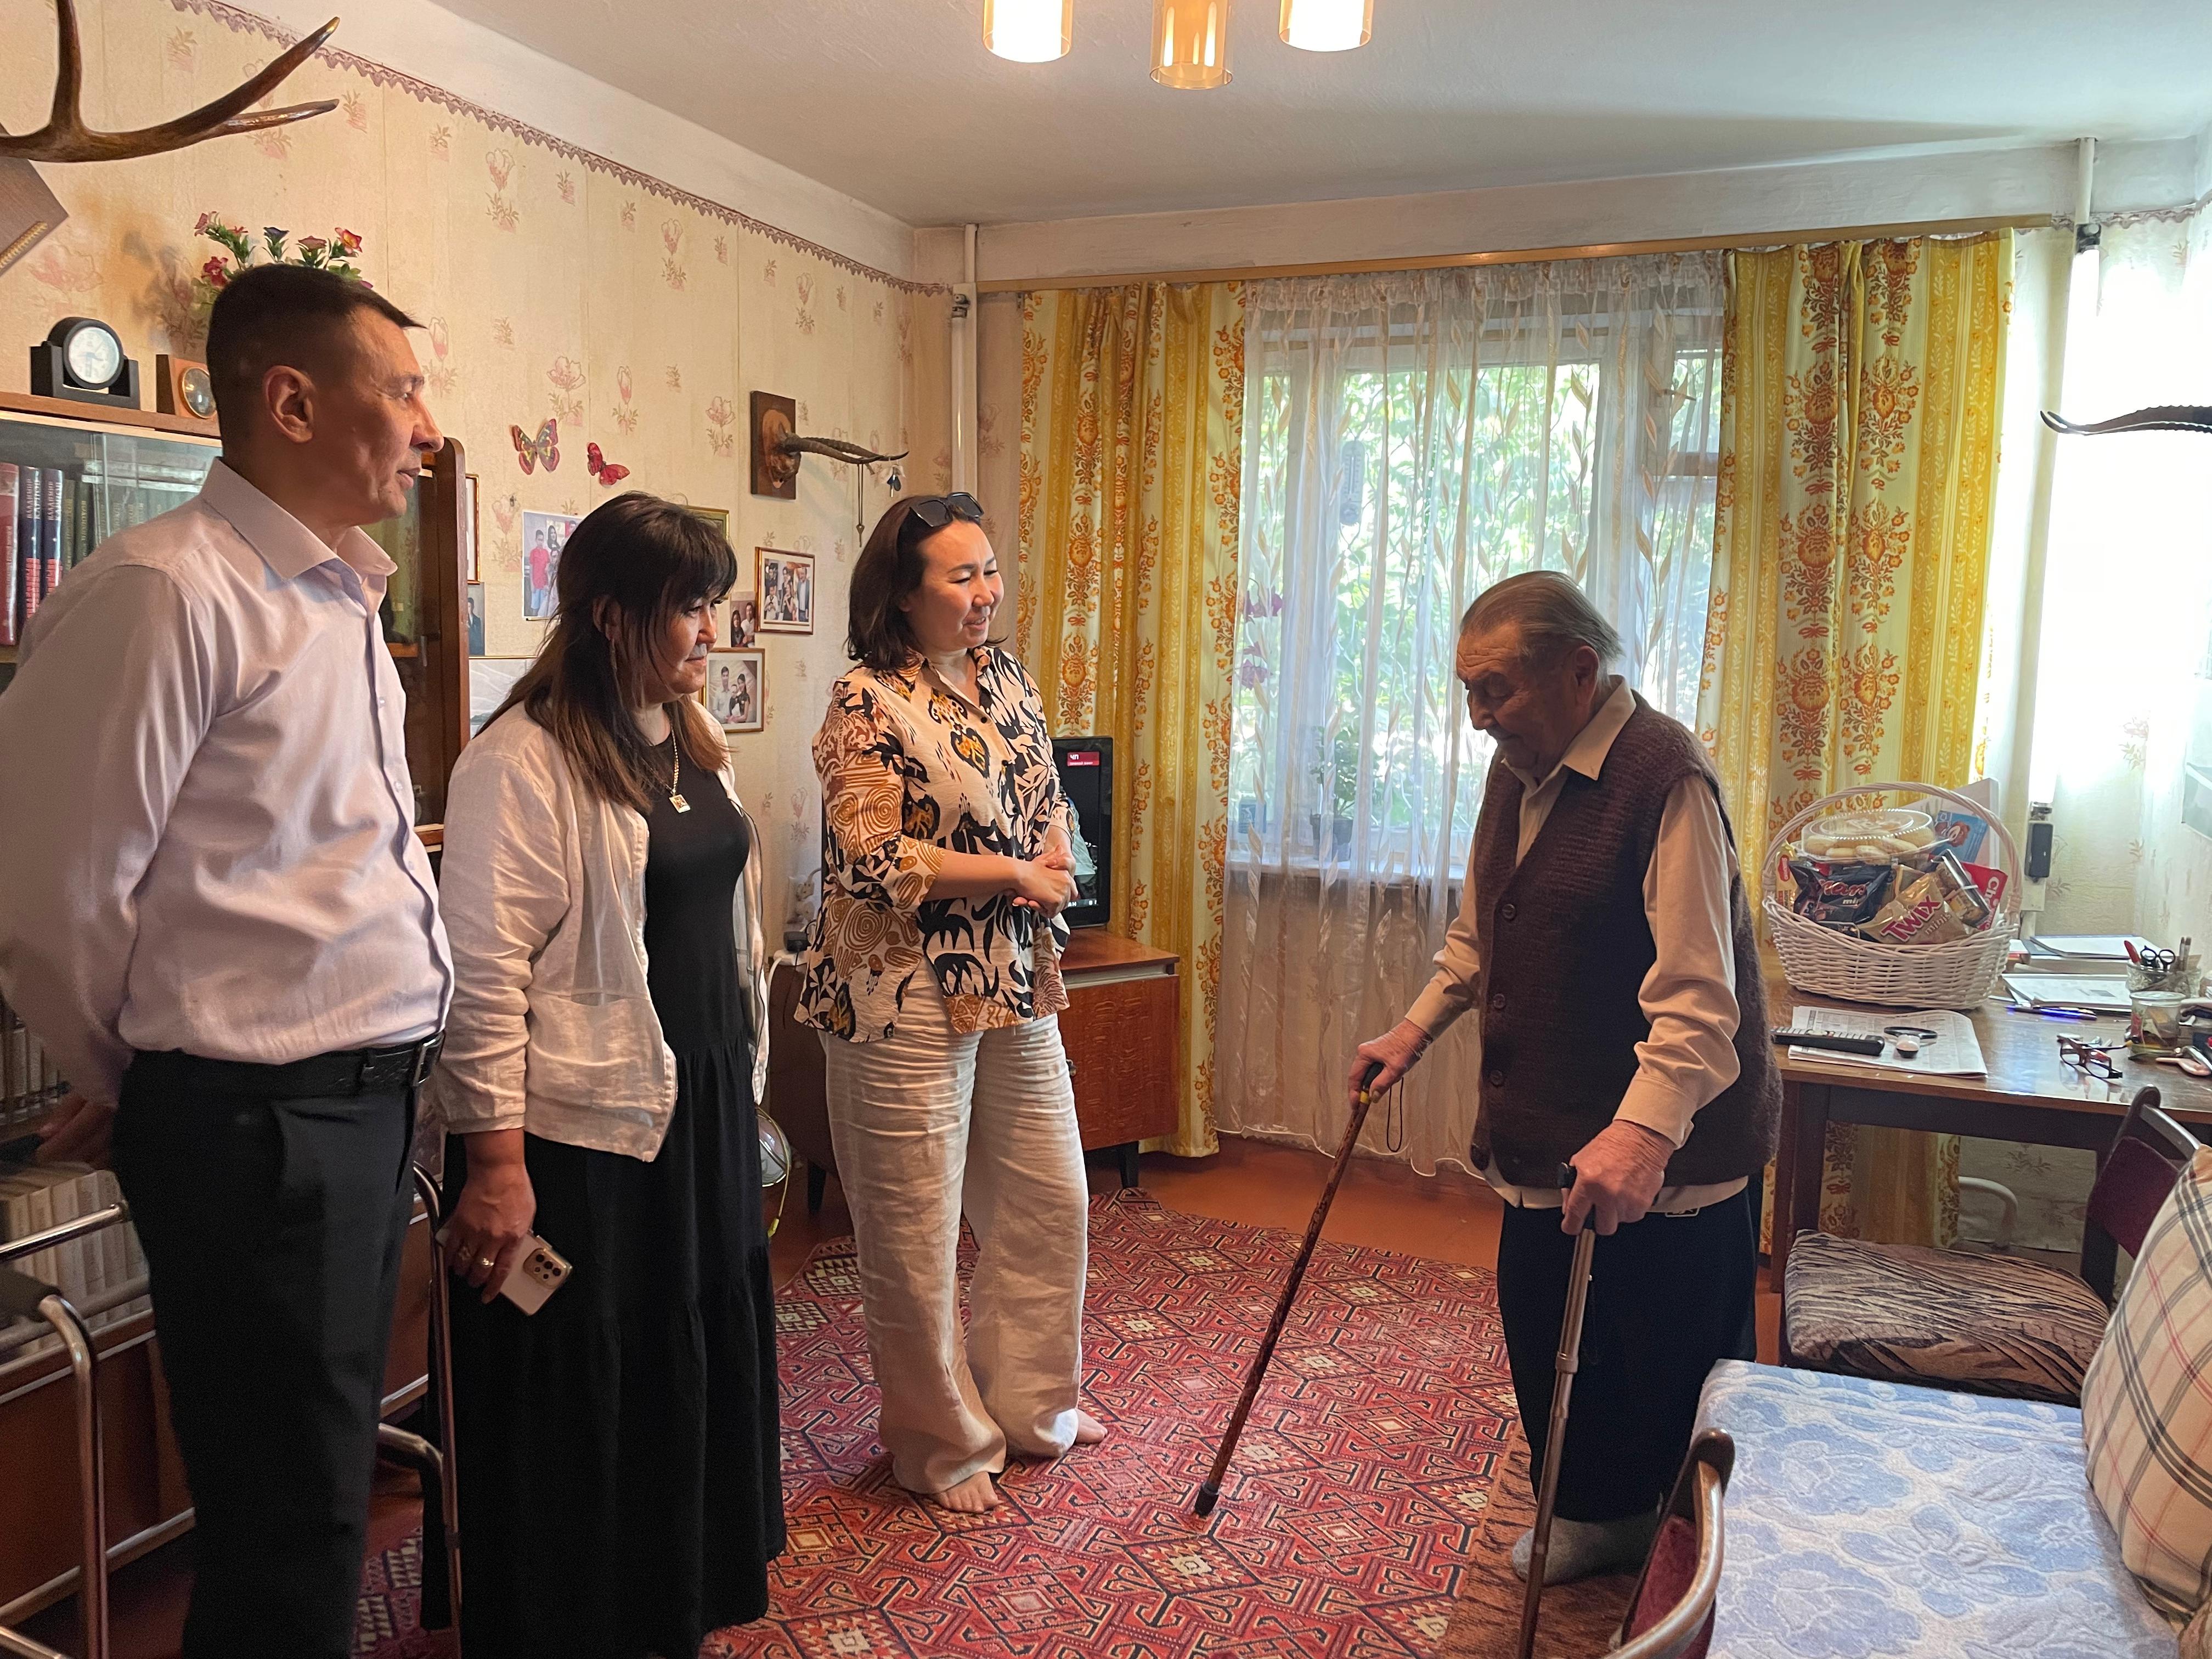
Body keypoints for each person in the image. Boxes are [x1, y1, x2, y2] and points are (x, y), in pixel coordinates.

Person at [0, 263, 451, 1658]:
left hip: (356, 1107)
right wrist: (144, 1075)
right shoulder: (164, 592)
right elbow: (57, 897)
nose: (428, 428)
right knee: (286, 1525)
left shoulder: (341, 599)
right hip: (261, 1123)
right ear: (293, 402)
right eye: (404, 390)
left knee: (317, 1493)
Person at [1349, 571, 1778, 1586]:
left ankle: (1684, 1541)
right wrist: (1413, 1029)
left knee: (1663, 1354)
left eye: (1495, 690)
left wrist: (1642, 1134)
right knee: (1547, 1328)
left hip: (1671, 1150)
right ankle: (1592, 1511)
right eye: (1468, 693)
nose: (1478, 718)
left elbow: (1699, 999)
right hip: (1548, 1126)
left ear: (1580, 671)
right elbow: (1481, 935)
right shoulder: (1519, 770)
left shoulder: (1665, 779)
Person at [427, 492, 783, 1657]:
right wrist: (496, 1165)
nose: (710, 630)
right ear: (610, 615)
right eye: (690, 608)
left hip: (700, 1101)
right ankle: (575, 1620)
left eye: (712, 604)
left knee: (689, 1338)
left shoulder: (688, 734)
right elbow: (483, 978)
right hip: (585, 1132)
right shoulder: (519, 762)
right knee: (583, 1358)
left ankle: (675, 1594)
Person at [795, 491, 1101, 1514]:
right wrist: (1015, 874)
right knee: (914, 1232)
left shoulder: (1007, 680)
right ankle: (941, 1441)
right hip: (899, 989)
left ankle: (1031, 1405)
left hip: (1013, 974)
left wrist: (1054, 850)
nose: (987, 592)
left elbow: (1046, 797)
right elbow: (875, 856)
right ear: (902, 593)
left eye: (990, 570)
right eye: (962, 577)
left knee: (1049, 1200)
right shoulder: (864, 700)